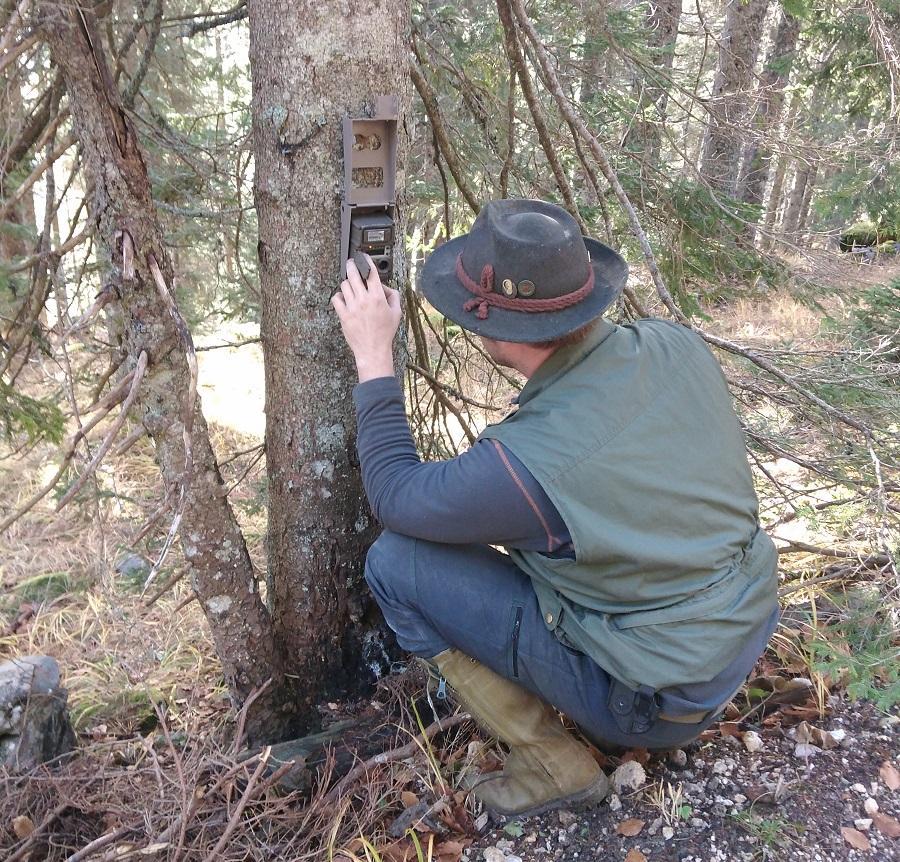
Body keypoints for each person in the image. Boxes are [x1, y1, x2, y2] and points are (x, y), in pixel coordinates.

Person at [330, 199, 779, 818]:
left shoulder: (530, 469)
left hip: (655, 702)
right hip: (732, 641)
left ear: (494, 328)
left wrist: (373, 358)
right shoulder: (675, 345)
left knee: (396, 562)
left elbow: (396, 497)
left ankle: (551, 762)